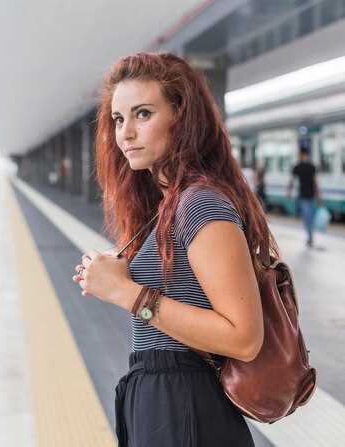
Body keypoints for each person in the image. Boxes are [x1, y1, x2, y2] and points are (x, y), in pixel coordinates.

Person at [71, 53, 276, 446]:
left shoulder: (200, 204)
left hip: (186, 411)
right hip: (166, 405)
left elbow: (244, 338)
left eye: (143, 114)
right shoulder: (166, 205)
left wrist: (126, 293)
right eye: (118, 118)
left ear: (181, 117)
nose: (125, 133)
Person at [288, 149, 321, 247]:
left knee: (308, 217)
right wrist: (318, 195)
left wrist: (289, 191)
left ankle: (310, 236)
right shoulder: (309, 166)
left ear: (300, 155)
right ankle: (310, 236)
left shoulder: (299, 166)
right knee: (309, 216)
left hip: (305, 195)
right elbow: (315, 182)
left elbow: (292, 181)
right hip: (308, 196)